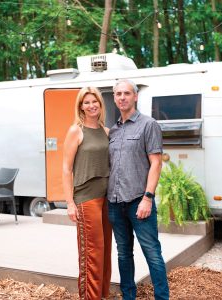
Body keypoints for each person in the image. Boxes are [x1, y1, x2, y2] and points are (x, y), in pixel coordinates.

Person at [107, 79, 169, 300]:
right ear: (114, 98)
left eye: (126, 93)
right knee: (124, 254)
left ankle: (162, 297)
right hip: (115, 203)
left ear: (135, 96)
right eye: (118, 94)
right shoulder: (113, 131)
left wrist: (148, 198)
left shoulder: (148, 124)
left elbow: (156, 163)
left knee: (152, 253)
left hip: (138, 201)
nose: (122, 97)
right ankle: (128, 296)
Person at [62, 86, 112, 300]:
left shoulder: (106, 131)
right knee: (92, 253)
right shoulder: (76, 130)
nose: (91, 106)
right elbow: (66, 168)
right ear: (80, 106)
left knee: (105, 252)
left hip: (107, 199)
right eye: (87, 102)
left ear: (101, 105)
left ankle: (103, 295)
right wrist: (69, 203)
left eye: (95, 102)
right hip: (86, 198)